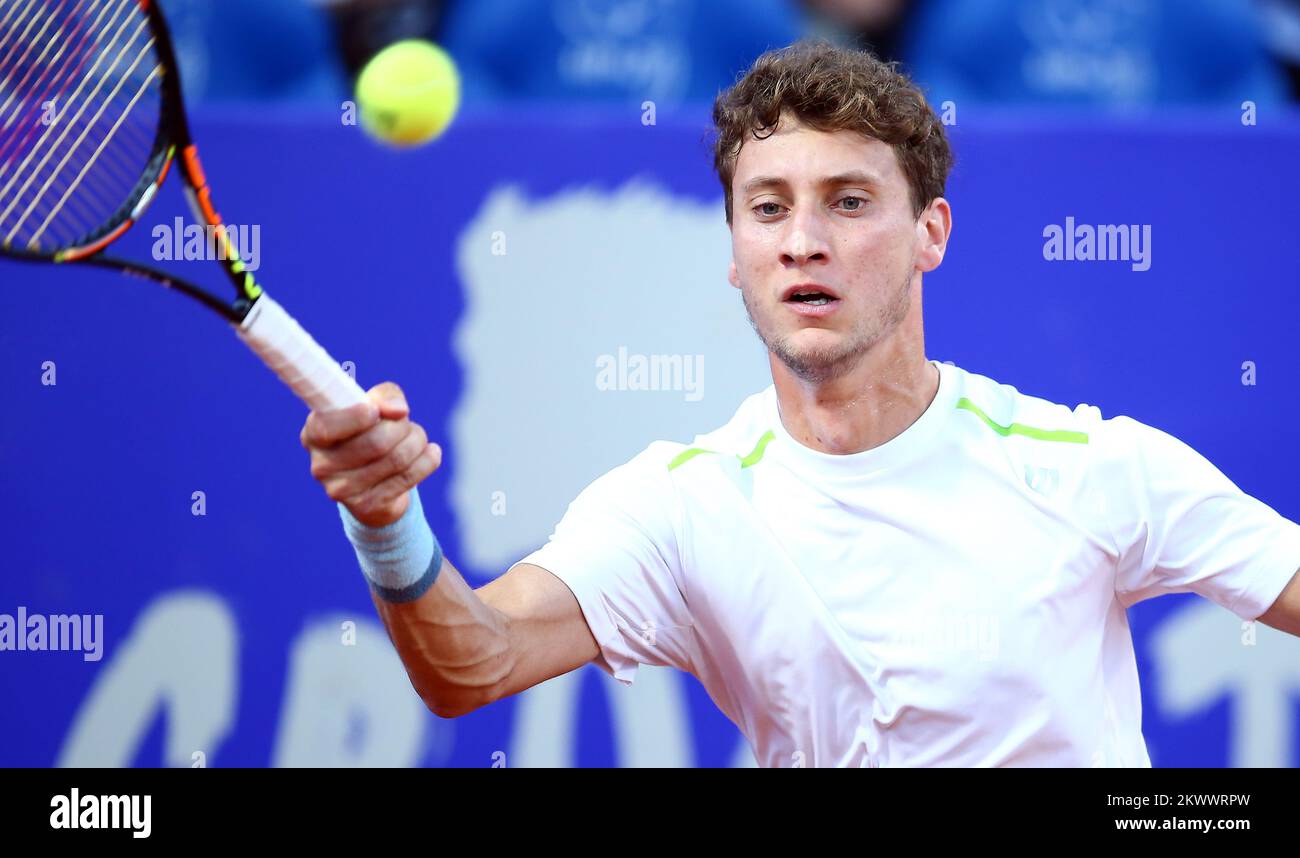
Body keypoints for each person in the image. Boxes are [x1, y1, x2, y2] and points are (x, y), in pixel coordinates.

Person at [299, 41, 1300, 767]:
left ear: (930, 233)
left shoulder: (1086, 468)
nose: (801, 241)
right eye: (767, 207)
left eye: (849, 201)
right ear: (734, 252)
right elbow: (470, 663)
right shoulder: (677, 506)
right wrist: (386, 521)